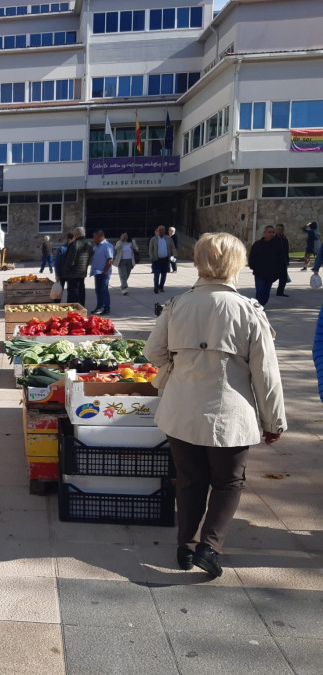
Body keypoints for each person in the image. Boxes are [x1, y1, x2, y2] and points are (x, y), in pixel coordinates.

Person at [144, 232, 286, 579]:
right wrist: (274, 421)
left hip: (182, 410)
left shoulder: (177, 305)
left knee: (190, 479)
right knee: (228, 482)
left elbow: (152, 354)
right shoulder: (249, 311)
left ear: (199, 262)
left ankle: (186, 546)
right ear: (237, 263)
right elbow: (266, 374)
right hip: (230, 413)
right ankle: (210, 546)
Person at [248, 225, 281, 307]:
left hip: (270, 273)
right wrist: (252, 266)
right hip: (259, 272)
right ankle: (259, 305)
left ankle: (262, 304)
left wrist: (278, 270)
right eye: (269, 232)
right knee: (260, 290)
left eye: (273, 232)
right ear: (264, 233)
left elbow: (280, 258)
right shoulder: (257, 244)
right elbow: (252, 256)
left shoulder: (276, 245)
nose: (272, 234)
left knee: (267, 291)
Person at [62, 226, 92, 306]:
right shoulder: (89, 244)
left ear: (76, 234)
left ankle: (73, 309)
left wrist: (65, 271)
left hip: (73, 273)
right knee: (81, 290)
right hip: (82, 272)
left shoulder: (75, 244)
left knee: (73, 293)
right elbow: (90, 258)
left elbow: (70, 261)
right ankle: (82, 306)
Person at [90, 230, 114, 315]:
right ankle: (99, 306)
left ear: (100, 237)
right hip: (97, 272)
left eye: (94, 237)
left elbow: (110, 260)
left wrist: (105, 271)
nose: (93, 239)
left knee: (104, 290)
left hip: (104, 272)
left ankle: (106, 308)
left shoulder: (107, 246)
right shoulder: (96, 247)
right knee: (98, 290)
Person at [149, 226, 176, 294]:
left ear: (164, 231)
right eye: (160, 230)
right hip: (157, 260)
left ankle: (161, 287)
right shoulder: (153, 239)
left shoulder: (169, 239)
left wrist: (174, 256)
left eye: (162, 230)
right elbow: (150, 249)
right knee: (156, 274)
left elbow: (173, 247)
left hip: (166, 259)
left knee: (164, 274)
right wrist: (152, 257)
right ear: (158, 231)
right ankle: (156, 287)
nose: (161, 231)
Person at [274, 224, 290, 297]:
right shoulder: (274, 239)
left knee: (283, 277)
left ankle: (280, 292)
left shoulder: (284, 239)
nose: (280, 231)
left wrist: (287, 260)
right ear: (276, 230)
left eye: (282, 229)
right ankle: (265, 288)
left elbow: (286, 250)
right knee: (273, 277)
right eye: (279, 229)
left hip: (283, 261)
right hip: (276, 262)